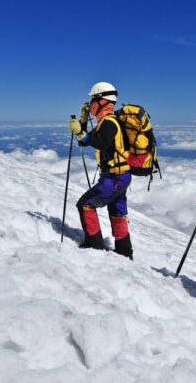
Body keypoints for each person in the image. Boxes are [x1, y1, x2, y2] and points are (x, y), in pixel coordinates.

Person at [68, 82, 133, 259]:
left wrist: (82, 134)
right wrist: (83, 119)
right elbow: (87, 141)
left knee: (85, 204)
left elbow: (102, 143)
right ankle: (124, 252)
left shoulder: (109, 123)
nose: (91, 105)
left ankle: (94, 245)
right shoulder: (106, 122)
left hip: (114, 178)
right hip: (120, 176)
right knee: (117, 212)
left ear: (102, 101)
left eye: (93, 100)